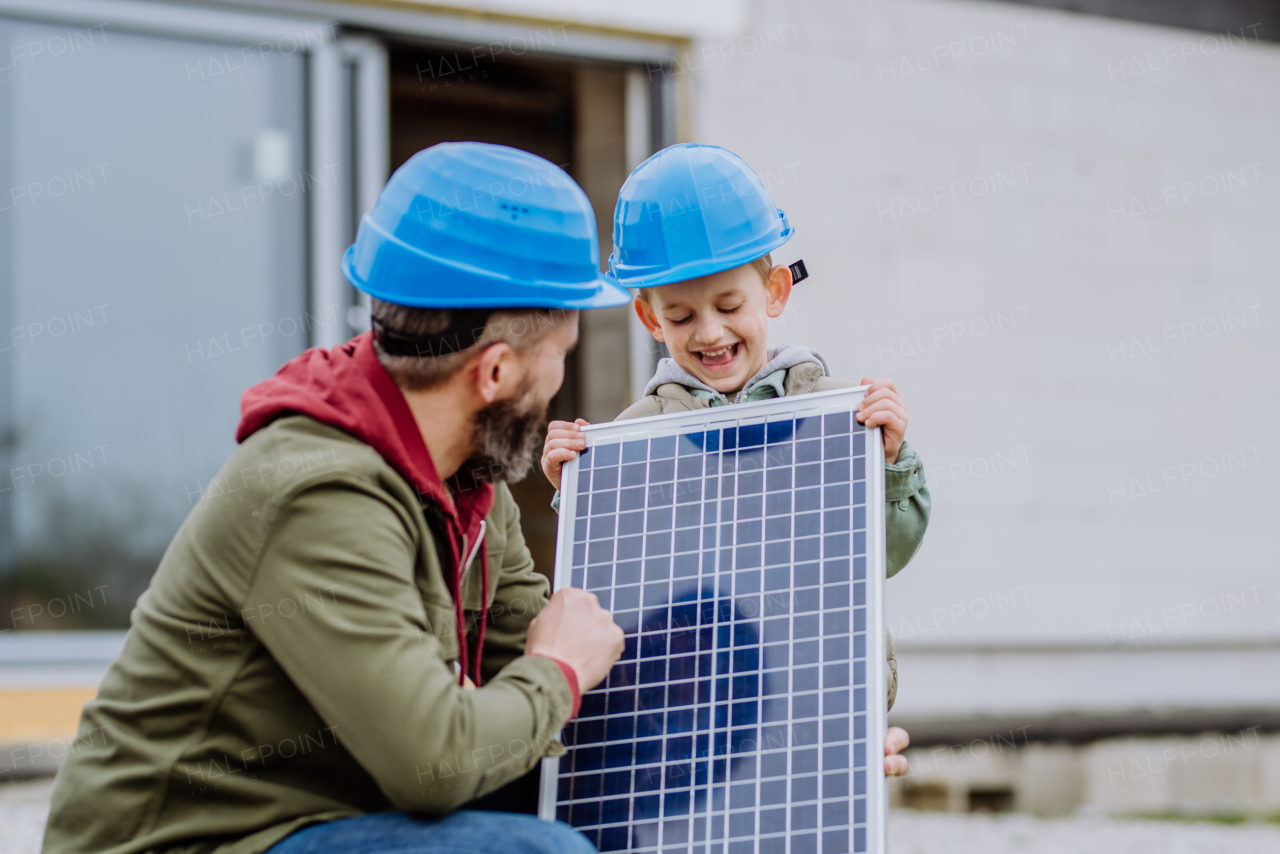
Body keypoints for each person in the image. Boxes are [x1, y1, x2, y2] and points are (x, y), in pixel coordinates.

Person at [40, 142, 629, 854]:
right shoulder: (317, 489)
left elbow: (523, 647)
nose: (559, 380)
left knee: (587, 785)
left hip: (329, 820)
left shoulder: (469, 481)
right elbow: (432, 763)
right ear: (497, 371)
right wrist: (560, 670)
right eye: (559, 355)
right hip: (196, 842)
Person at [541, 143, 930, 773]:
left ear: (774, 292)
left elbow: (887, 552)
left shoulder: (837, 414)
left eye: (729, 307)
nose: (711, 333)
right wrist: (580, 488)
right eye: (681, 315)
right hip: (684, 702)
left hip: (818, 681)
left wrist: (889, 463)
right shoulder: (635, 434)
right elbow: (618, 579)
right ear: (648, 317)